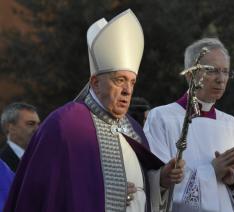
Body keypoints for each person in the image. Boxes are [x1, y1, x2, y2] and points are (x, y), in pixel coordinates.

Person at [4, 9, 184, 212]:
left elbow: (143, 190)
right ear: (95, 83)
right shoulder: (65, 125)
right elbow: (51, 193)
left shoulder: (134, 130)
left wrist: (161, 180)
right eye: (120, 80)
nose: (127, 91)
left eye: (132, 82)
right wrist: (110, 194)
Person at [144, 37, 234, 211]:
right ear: (190, 74)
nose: (221, 79)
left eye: (225, 72)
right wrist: (211, 173)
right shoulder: (162, 118)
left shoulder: (232, 125)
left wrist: (232, 183)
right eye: (212, 70)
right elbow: (156, 183)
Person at [0, 102, 40, 172]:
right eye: (31, 124)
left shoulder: (44, 156)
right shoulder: (2, 163)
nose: (38, 129)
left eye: (38, 124)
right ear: (10, 128)